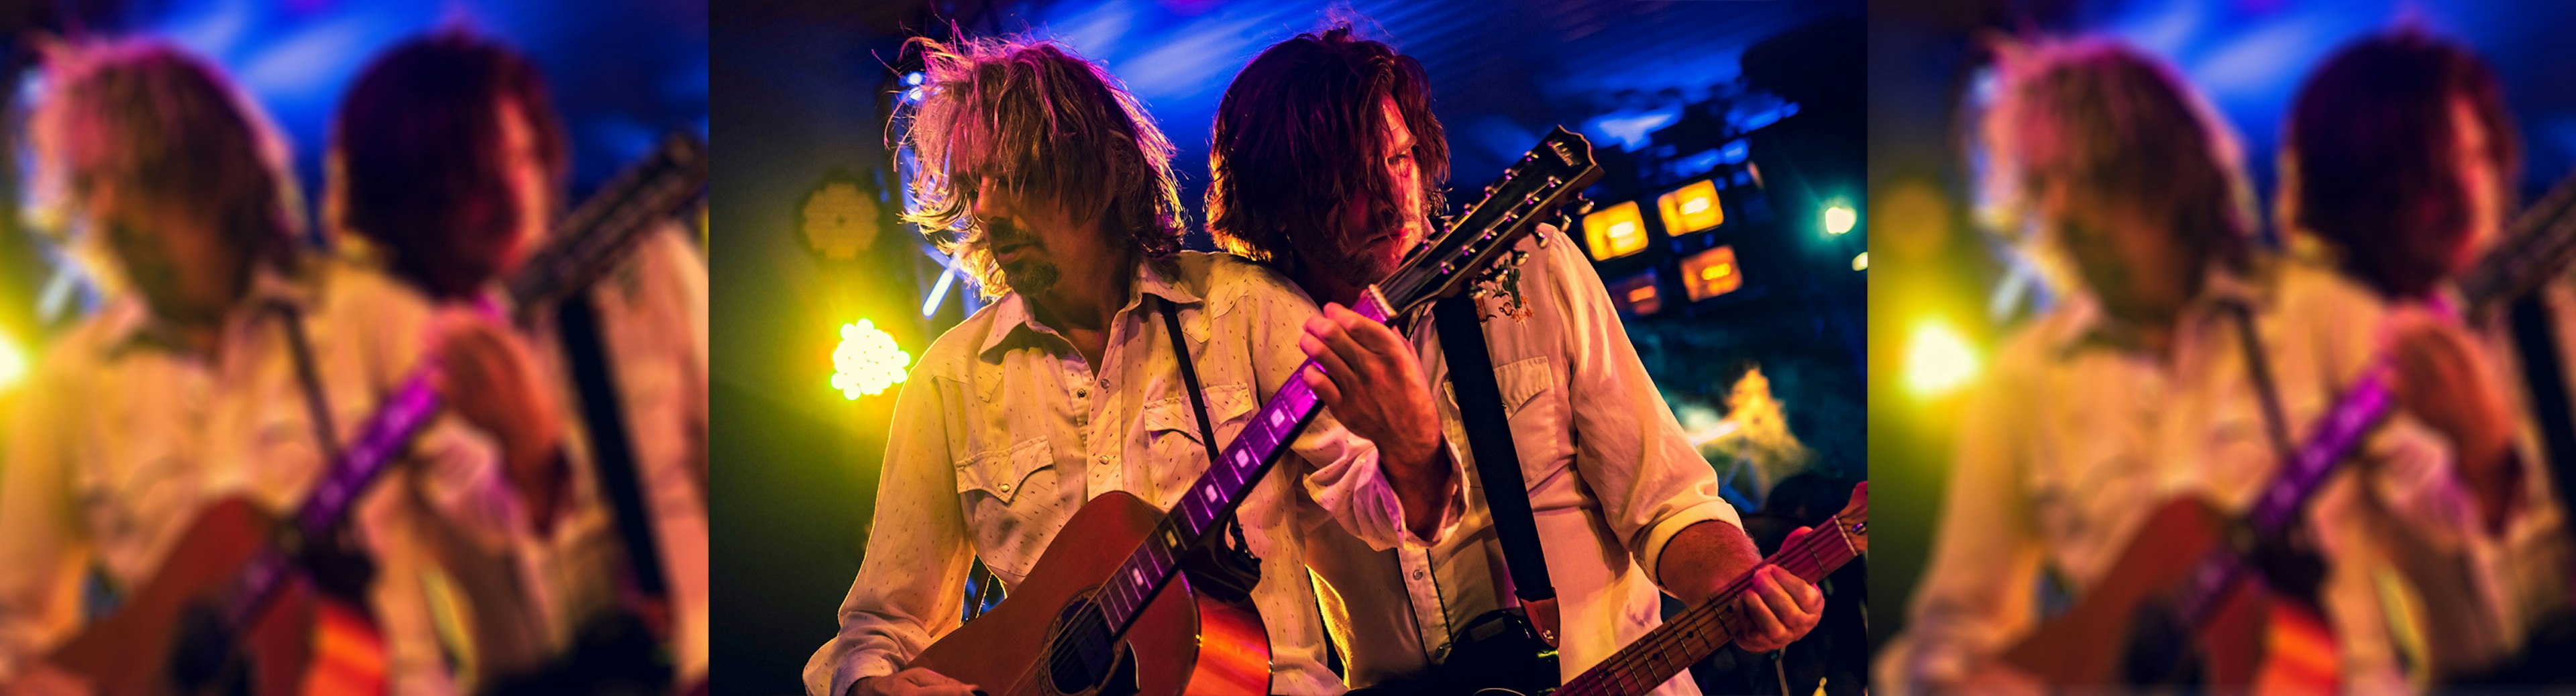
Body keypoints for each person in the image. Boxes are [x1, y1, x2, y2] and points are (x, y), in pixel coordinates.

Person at [804, 35, 1454, 696]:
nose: (987, 209)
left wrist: (1415, 446)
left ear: (1102, 168)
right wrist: (865, 685)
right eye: (974, 185)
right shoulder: (949, 380)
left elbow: (1385, 516)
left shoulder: (1246, 309)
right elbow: (882, 622)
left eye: (1016, 179)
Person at [1205, 25, 1823, 694]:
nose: (1392, 200)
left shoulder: (1533, 269)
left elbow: (1665, 501)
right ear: (1278, 205)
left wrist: (1742, 586)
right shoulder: (1255, 350)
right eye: (1351, 181)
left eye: (1401, 160)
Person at [1892, 38, 2512, 693]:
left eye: (2092, 175)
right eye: (2041, 185)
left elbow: (2453, 539)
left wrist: (2483, 449)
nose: (2060, 212)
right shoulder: (2020, 382)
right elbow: (1957, 618)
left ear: (2168, 170)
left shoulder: (2321, 315)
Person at [0, 40, 543, 695]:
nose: (108, 213)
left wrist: (530, 445)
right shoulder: (67, 386)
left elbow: (500, 528)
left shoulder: (364, 316)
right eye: (89, 188)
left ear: (213, 171)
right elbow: (11, 618)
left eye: (137, 177)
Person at [327, 31, 712, 687]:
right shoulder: (394, 344)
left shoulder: (644, 270)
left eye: (522, 158)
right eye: (468, 180)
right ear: (403, 200)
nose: (510, 197)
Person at [2280, 30, 2569, 677]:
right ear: (2353, 194)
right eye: (2423, 178)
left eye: (2472, 157)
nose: (2465, 198)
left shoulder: (2558, 310)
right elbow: (2442, 511)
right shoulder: (2327, 340)